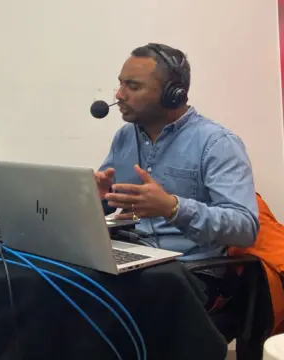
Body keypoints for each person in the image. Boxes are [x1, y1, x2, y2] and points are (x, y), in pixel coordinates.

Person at [95, 43, 259, 308]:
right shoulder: (125, 137)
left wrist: (172, 208)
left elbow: (244, 228)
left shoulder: (217, 143)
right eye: (120, 84)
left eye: (133, 86)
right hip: (135, 257)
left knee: (105, 306)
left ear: (173, 94)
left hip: (189, 270)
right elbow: (113, 198)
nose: (119, 94)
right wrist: (100, 199)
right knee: (60, 283)